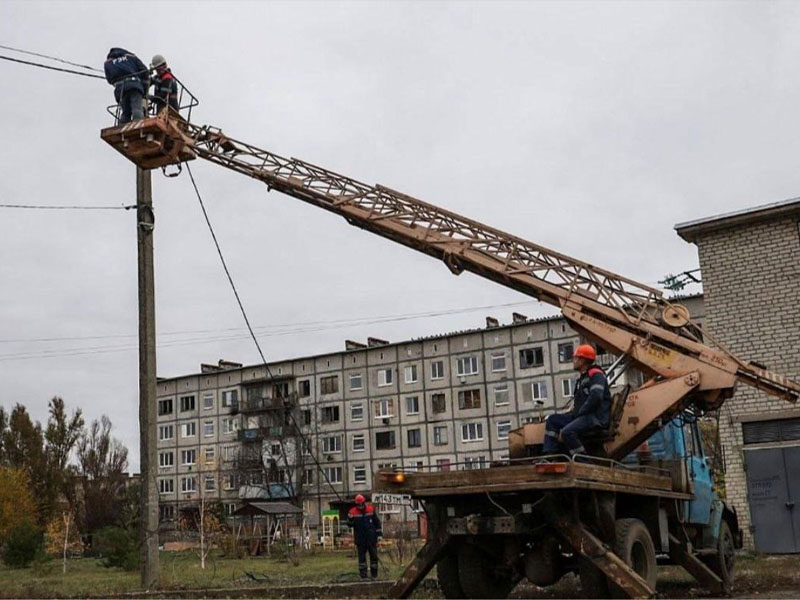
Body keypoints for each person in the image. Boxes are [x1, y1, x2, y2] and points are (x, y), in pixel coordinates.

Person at [542, 344, 612, 458]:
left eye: (575, 358)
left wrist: (581, 411)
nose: (573, 361)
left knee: (566, 432)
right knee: (552, 420)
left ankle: (583, 460)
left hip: (594, 418)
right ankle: (550, 456)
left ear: (582, 360)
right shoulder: (583, 378)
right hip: (583, 416)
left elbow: (596, 397)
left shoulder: (596, 375)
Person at [103, 48, 149, 124]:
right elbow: (144, 71)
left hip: (120, 90)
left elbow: (109, 79)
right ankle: (138, 126)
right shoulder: (131, 57)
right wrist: (144, 89)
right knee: (137, 109)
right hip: (134, 85)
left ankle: (121, 128)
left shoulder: (108, 63)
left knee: (126, 113)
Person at [347, 494, 382, 580]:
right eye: (358, 504)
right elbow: (350, 525)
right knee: (362, 559)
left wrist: (379, 535)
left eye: (361, 504)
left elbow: (377, 522)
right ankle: (363, 576)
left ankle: (374, 575)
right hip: (360, 539)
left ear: (364, 502)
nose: (360, 506)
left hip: (371, 538)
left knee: (374, 558)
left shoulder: (370, 510)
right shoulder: (352, 512)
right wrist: (350, 519)